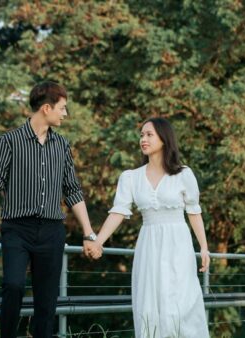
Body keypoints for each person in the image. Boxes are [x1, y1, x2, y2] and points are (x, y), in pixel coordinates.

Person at [0, 81, 99, 338]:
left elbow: (73, 190)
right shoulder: (8, 141)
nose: (65, 114)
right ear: (47, 108)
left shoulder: (62, 146)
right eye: (63, 108)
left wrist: (89, 233)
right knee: (13, 285)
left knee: (47, 301)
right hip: (17, 229)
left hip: (51, 231)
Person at [87, 117, 211, 338]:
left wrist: (203, 247)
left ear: (164, 138)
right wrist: (98, 241)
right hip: (149, 246)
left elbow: (194, 211)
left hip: (178, 245)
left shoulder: (184, 174)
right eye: (142, 135)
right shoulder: (131, 177)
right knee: (150, 303)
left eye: (149, 134)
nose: (143, 139)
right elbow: (118, 212)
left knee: (182, 303)